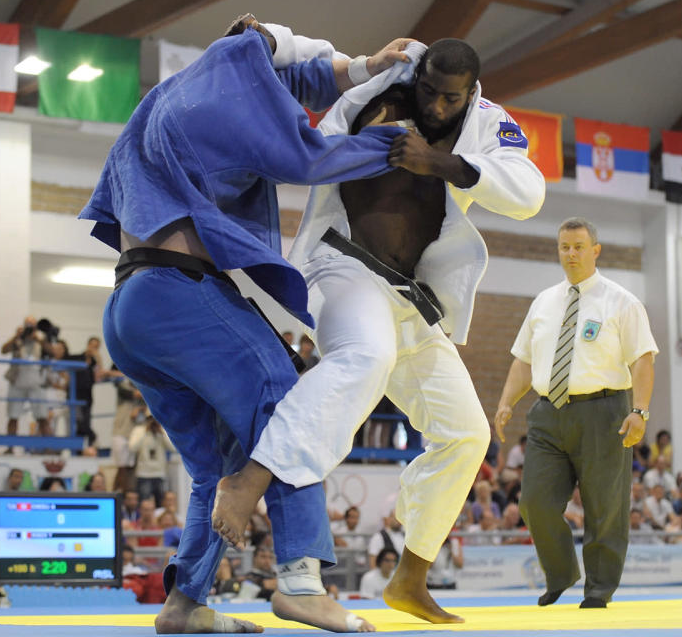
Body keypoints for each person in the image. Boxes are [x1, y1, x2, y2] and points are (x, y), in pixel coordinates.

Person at [87, 12, 414, 634]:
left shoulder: (174, 96)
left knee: (221, 465)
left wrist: (367, 68)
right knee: (283, 401)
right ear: (258, 65)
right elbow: (307, 154)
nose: (298, 91)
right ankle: (300, 578)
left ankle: (185, 603)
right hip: (177, 293)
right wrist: (398, 145)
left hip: (130, 307)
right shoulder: (226, 90)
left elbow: (293, 83)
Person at [213, 34, 546, 625]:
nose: (436, 106)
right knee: (365, 355)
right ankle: (250, 480)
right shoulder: (379, 91)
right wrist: (279, 41)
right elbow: (313, 96)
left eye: (449, 99)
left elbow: (528, 193)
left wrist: (438, 162)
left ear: (470, 92)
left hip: (410, 298)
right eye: (428, 91)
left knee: (466, 433)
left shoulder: (488, 124)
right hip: (342, 265)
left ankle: (410, 576)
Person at [493, 217, 657, 609]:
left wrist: (641, 411)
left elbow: (644, 360)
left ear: (595, 250)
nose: (571, 254)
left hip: (605, 411)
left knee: (605, 507)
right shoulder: (544, 302)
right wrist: (505, 402)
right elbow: (522, 361)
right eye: (564, 247)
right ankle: (562, 572)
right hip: (548, 413)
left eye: (579, 247)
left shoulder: (622, 301)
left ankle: (599, 590)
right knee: (532, 502)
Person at [1, 316, 53, 450]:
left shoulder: (41, 338)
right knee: (13, 416)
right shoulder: (18, 338)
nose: (30, 329)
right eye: (27, 325)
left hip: (36, 382)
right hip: (18, 381)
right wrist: (16, 337)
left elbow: (53, 352)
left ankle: (49, 448)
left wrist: (39, 339)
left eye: (32, 326)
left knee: (42, 417)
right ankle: (10, 448)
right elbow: (3, 350)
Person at [128, 412, 176, 506]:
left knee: (161, 504)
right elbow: (132, 448)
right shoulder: (139, 430)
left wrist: (161, 433)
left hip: (160, 474)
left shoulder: (162, 430)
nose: (152, 421)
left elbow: (173, 448)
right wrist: (145, 431)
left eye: (155, 418)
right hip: (144, 474)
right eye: (150, 419)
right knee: (144, 504)